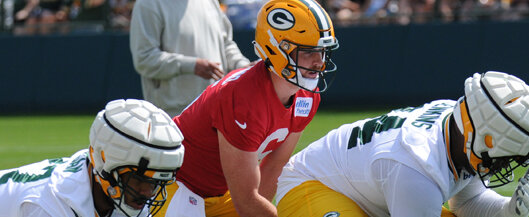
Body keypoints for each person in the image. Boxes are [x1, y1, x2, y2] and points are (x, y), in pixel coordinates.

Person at [156, 0, 339, 216]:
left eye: (322, 51)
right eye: (309, 52)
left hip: (222, 192)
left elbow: (274, 165)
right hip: (174, 182)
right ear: (278, 49)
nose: (319, 62)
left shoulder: (306, 95)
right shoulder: (243, 98)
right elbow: (246, 201)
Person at [275, 71, 529, 217]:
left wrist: (511, 211)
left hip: (373, 190)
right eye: (505, 157)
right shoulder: (418, 169)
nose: (504, 165)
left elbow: (468, 203)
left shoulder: (460, 127)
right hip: (310, 185)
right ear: (483, 137)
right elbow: (417, 180)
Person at [0, 99, 185, 217]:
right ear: (104, 161)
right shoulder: (50, 205)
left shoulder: (109, 188)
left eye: (153, 183)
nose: (147, 192)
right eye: (138, 180)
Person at [129, 0, 252, 117]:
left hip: (215, 111)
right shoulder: (147, 4)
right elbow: (144, 58)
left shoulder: (210, 2)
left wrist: (242, 66)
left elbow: (225, 44)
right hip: (171, 118)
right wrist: (191, 66)